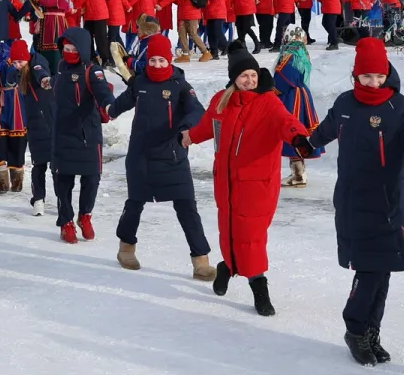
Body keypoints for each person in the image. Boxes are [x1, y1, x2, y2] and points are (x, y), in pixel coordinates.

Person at [304, 37, 404, 366]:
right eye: (366, 77)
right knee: (369, 267)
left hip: (386, 203)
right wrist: (303, 143)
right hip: (349, 200)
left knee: (382, 269)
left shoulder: (400, 109)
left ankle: (369, 329)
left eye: (379, 76)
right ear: (354, 77)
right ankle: (355, 328)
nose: (374, 83)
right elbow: (321, 133)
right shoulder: (345, 104)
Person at [186, 46, 307, 316]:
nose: (250, 81)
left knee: (251, 236)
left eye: (253, 75)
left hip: (257, 184)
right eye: (243, 76)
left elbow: (285, 122)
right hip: (226, 182)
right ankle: (227, 266)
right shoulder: (222, 101)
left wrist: (298, 137)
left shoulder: (268, 102)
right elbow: (207, 126)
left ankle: (259, 289)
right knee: (229, 230)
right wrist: (188, 137)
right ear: (234, 78)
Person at [110, 34, 214, 278]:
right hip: (141, 156)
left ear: (169, 60)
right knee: (135, 203)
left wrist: (187, 128)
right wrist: (106, 110)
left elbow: (196, 111)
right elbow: (118, 105)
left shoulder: (180, 85)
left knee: (187, 207)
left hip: (172, 155)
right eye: (153, 60)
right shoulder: (139, 82)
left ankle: (201, 261)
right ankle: (126, 248)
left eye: (162, 61)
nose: (157, 65)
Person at [52, 27, 115, 243]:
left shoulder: (92, 70)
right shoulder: (60, 67)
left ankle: (85, 216)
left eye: (73, 49)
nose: (68, 52)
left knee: (91, 179)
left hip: (87, 135)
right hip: (62, 134)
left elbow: (103, 93)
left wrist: (110, 106)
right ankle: (66, 221)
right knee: (63, 182)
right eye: (66, 48)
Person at [273, 27, 320, 188]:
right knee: (299, 131)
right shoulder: (302, 52)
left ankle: (298, 174)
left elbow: (283, 79)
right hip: (303, 95)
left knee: (292, 131)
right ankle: (299, 172)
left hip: (292, 97)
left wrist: (272, 90)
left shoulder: (288, 54)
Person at [0, 39, 33, 195]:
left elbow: (11, 78)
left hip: (10, 102)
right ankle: (5, 181)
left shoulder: (5, 62)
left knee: (12, 138)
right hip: (2, 101)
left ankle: (13, 180)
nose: (19, 64)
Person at [18, 44, 56, 216]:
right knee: (39, 164)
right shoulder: (20, 72)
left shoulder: (36, 62)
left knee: (55, 166)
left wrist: (44, 80)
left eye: (20, 61)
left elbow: (41, 72)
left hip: (48, 119)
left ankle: (62, 201)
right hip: (34, 121)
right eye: (15, 62)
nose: (17, 65)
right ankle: (39, 200)